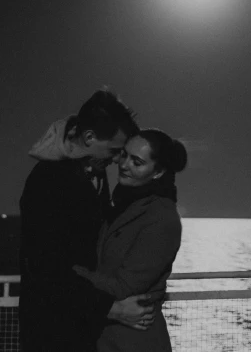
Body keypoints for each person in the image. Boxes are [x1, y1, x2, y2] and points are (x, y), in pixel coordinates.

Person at [19, 90, 155, 352]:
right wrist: (114, 310)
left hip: (80, 325)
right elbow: (46, 269)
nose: (118, 160)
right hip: (53, 334)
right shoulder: (47, 182)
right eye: (114, 151)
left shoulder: (91, 172)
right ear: (89, 137)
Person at [73, 128, 187, 352]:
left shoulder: (162, 218)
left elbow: (123, 287)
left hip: (134, 341)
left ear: (158, 172)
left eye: (137, 162)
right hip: (106, 336)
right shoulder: (124, 204)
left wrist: (69, 273)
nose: (124, 165)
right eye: (124, 155)